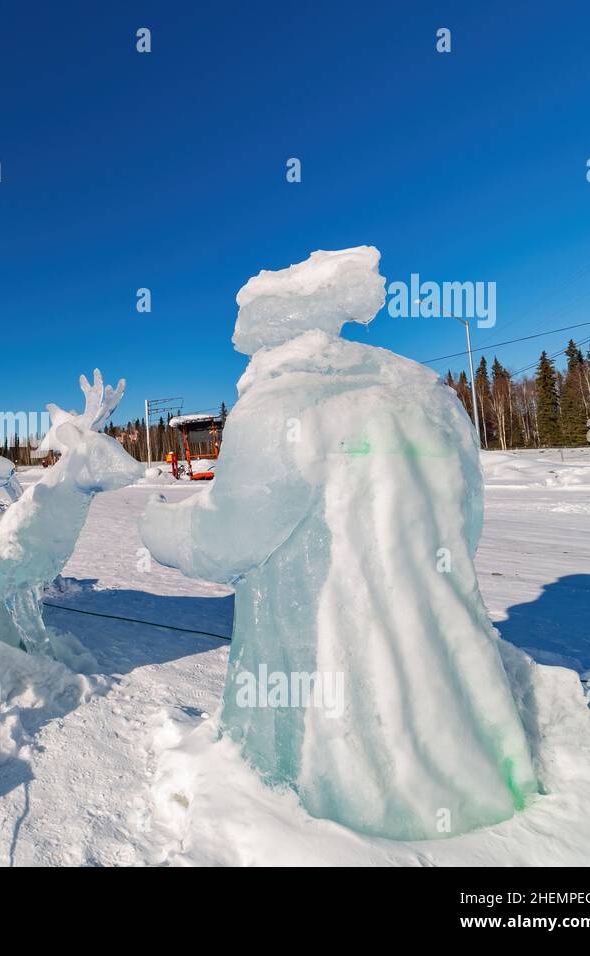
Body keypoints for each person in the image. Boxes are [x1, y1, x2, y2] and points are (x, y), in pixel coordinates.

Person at [140, 246, 536, 840]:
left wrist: (157, 527)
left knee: (333, 787)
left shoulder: (281, 406)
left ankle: (338, 832)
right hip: (455, 683)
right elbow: (465, 526)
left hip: (324, 704)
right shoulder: (433, 400)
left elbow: (224, 541)